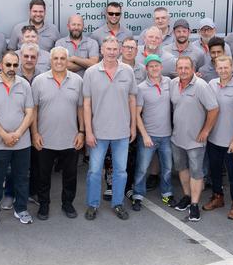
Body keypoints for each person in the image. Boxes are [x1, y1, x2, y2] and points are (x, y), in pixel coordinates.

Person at [83, 37, 138, 220]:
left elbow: (132, 99)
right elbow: (87, 104)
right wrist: (88, 132)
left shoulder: (128, 71)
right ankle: (92, 204)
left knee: (121, 171)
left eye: (115, 49)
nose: (112, 52)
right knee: (94, 171)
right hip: (98, 133)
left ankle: (118, 203)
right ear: (102, 50)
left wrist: (133, 126)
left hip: (122, 132)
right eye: (109, 49)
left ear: (120, 50)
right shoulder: (91, 72)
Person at [0, 51, 36, 226]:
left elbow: (30, 113)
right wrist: (5, 136)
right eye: (8, 65)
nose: (12, 68)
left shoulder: (25, 85)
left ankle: (21, 208)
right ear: (0, 65)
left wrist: (18, 134)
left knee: (21, 178)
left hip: (22, 143)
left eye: (15, 65)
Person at [31, 48, 84, 220]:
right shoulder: (39, 81)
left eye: (63, 58)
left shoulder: (77, 81)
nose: (59, 61)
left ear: (67, 60)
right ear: (50, 60)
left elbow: (81, 108)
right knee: (43, 176)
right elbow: (33, 110)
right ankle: (44, 205)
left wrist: (81, 132)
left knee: (70, 176)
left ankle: (68, 203)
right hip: (45, 139)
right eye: (56, 58)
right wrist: (35, 133)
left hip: (70, 139)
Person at [170, 56, 218, 222]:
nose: (183, 71)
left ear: (192, 69)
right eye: (180, 68)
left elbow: (213, 109)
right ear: (177, 69)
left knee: (196, 173)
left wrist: (206, 130)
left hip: (195, 141)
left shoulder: (201, 86)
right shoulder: (173, 84)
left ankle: (195, 205)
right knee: (182, 169)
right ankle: (187, 196)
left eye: (186, 68)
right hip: (177, 138)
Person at [204, 55, 233, 220]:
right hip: (213, 139)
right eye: (220, 68)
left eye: (226, 67)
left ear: (232, 67)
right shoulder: (211, 85)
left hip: (231, 141)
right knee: (215, 171)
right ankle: (217, 197)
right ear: (216, 69)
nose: (223, 70)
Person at [132, 54, 175, 210]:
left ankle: (167, 193)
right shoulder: (141, 88)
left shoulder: (170, 83)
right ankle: (137, 195)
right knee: (142, 168)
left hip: (167, 135)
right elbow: (136, 114)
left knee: (168, 168)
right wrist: (144, 135)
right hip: (148, 136)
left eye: (157, 65)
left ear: (161, 67)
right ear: (146, 69)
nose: (154, 68)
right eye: (151, 66)